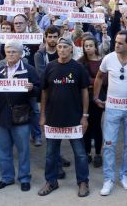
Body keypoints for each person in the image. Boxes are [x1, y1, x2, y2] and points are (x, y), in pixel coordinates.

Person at [92, 30, 127, 196]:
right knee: (109, 144)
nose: (116, 45)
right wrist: (96, 97)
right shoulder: (108, 58)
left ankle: (124, 175)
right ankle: (108, 179)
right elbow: (99, 77)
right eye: (115, 42)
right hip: (112, 108)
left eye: (120, 43)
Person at [38, 37, 90, 198]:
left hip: (74, 119)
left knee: (80, 154)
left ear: (71, 49)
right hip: (53, 119)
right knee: (51, 154)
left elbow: (84, 92)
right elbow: (44, 92)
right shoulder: (49, 67)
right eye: (59, 47)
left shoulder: (78, 68)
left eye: (65, 47)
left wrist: (85, 116)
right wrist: (42, 115)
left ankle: (83, 182)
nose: (61, 49)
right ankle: (51, 181)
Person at [0, 41, 40, 192]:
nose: (10, 54)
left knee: (23, 150)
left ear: (21, 54)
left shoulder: (29, 69)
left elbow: (39, 90)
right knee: (3, 150)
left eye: (13, 52)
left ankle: (24, 178)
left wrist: (32, 89)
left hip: (21, 116)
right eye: (8, 51)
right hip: (2, 116)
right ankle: (7, 178)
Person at [79, 35, 105, 167]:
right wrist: (96, 81)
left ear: (95, 47)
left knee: (96, 126)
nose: (88, 48)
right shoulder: (80, 62)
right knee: (86, 126)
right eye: (86, 46)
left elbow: (105, 79)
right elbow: (81, 80)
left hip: (98, 98)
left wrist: (92, 82)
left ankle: (98, 153)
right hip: (84, 99)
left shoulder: (102, 62)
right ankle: (87, 152)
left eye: (90, 45)